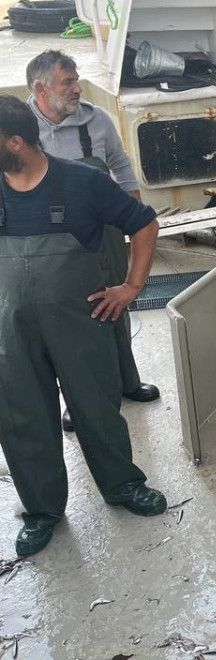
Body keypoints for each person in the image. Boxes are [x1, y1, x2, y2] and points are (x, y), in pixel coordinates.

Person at [0, 96, 167, 558]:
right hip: (12, 331)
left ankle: (122, 485)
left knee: (97, 408)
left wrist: (131, 286)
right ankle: (42, 510)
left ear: (15, 143)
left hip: (80, 322)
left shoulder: (83, 183)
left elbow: (145, 225)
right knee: (22, 418)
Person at [26, 50, 159, 433]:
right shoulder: (21, 131)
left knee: (117, 303)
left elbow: (119, 163)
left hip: (105, 231)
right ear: (40, 89)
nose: (77, 88)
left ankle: (128, 381)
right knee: (69, 322)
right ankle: (77, 400)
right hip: (54, 243)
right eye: (67, 82)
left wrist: (131, 209)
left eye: (76, 79)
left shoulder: (97, 119)